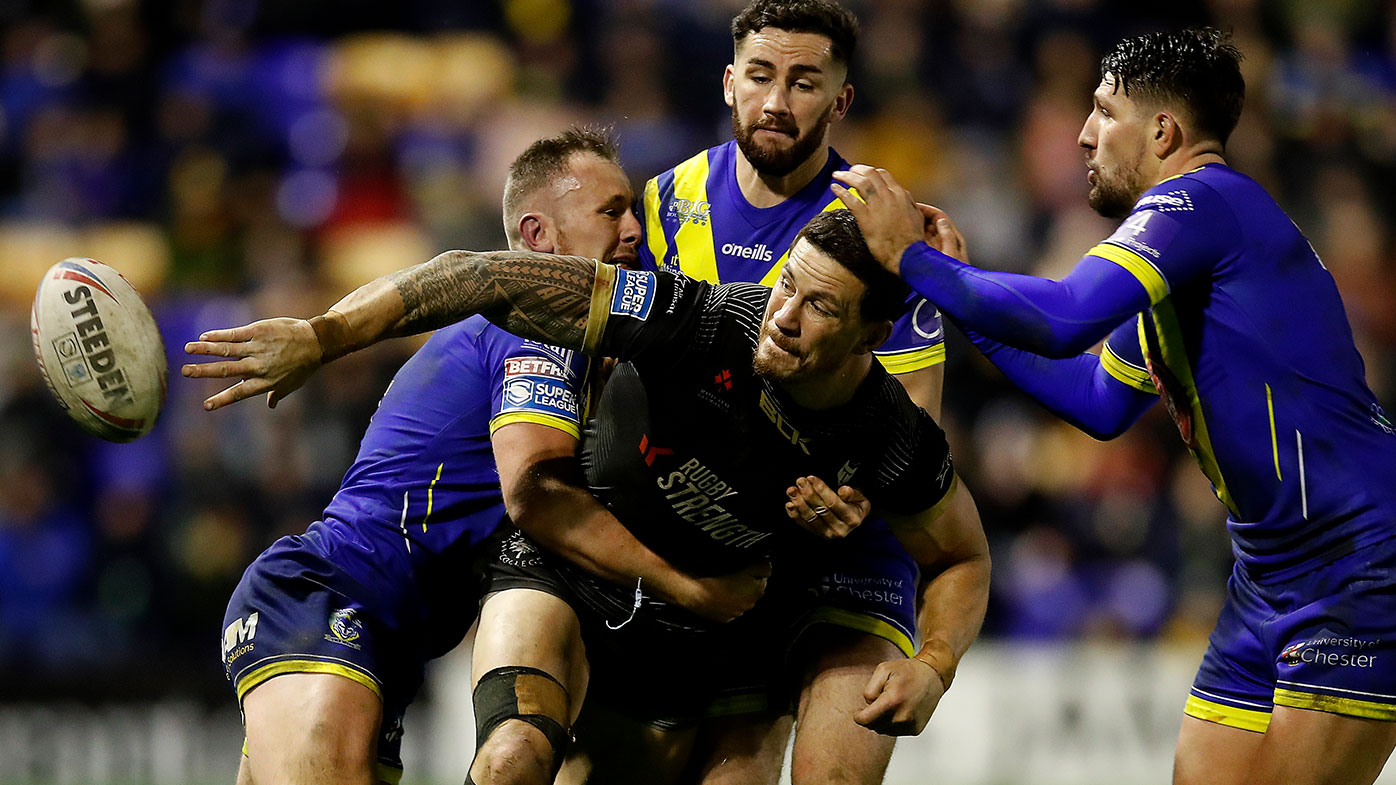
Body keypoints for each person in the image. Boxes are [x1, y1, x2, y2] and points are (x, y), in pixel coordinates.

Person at [185, 206, 991, 785]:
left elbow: (962, 555)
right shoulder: (708, 320)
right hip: (570, 569)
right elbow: (481, 275)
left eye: (820, 307)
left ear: (871, 335)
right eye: (787, 287)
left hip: (716, 618)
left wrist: (935, 664)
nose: (783, 318)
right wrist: (322, 337)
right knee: (510, 761)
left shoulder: (889, 437)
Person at [834, 27, 1396, 785]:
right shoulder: (1193, 257)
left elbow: (1066, 315)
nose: (1083, 133)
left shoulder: (1199, 202)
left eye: (1103, 110)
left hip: (1356, 560)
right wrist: (961, 295)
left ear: (1162, 131)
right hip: (1270, 569)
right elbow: (1100, 399)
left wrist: (912, 259)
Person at [199, 128, 772, 785]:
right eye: (611, 212)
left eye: (635, 210)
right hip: (332, 598)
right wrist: (687, 585)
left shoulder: (595, 360)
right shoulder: (529, 330)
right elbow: (537, 494)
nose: (634, 231)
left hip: (380, 637)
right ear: (537, 236)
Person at [643, 4, 951, 780]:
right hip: (718, 549)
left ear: (841, 101)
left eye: (805, 82)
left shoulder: (884, 230)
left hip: (849, 556)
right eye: (760, 75)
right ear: (728, 82)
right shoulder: (662, 205)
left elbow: (915, 416)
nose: (777, 101)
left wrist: (856, 492)